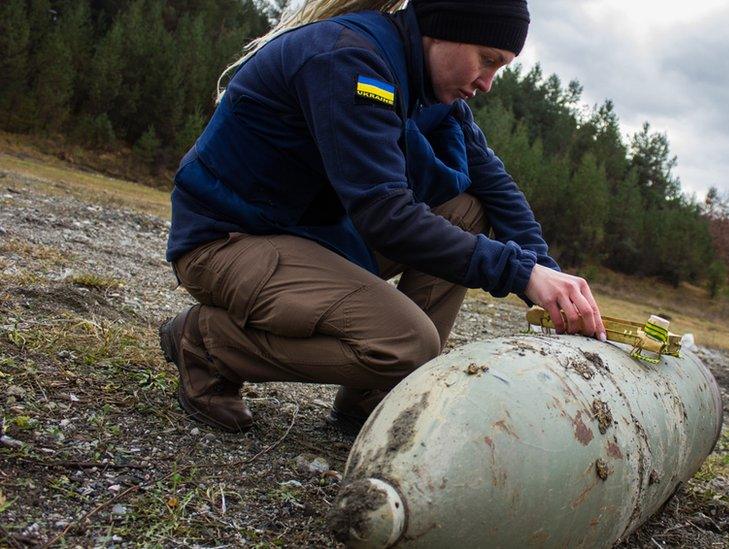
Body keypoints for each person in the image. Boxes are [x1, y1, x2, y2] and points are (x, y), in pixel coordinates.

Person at [159, 0, 606, 435]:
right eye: (486, 60)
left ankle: (370, 396)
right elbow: (386, 215)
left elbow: (495, 186)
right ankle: (204, 344)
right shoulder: (350, 62)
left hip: (307, 235)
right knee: (409, 344)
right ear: (444, 29)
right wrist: (519, 273)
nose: (488, 82)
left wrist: (551, 283)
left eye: (500, 67)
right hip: (227, 241)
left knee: (468, 210)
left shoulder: (429, 90)